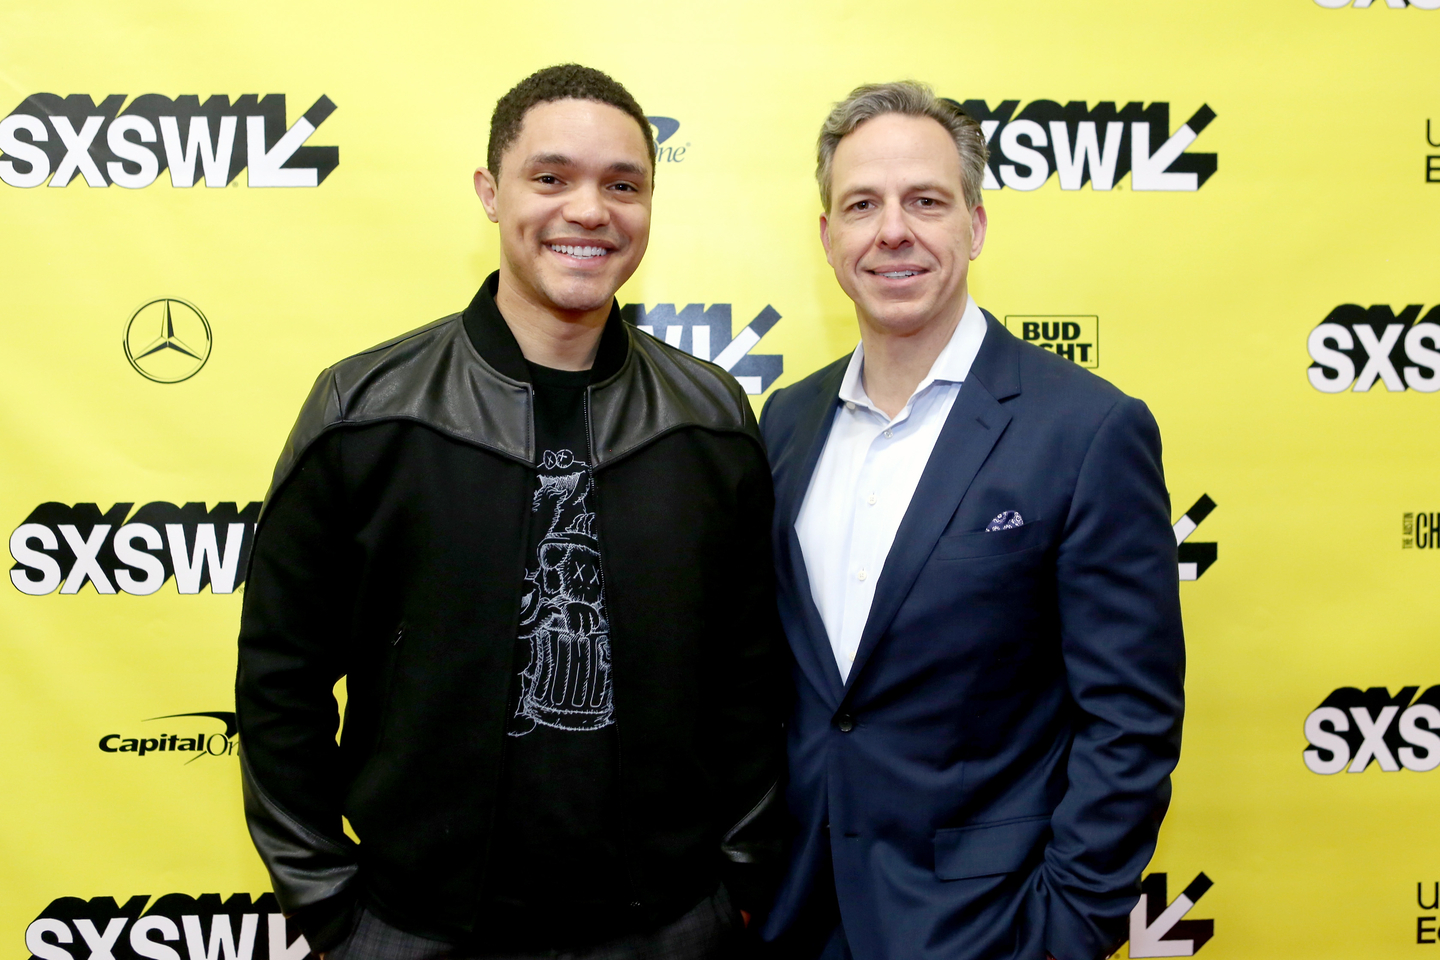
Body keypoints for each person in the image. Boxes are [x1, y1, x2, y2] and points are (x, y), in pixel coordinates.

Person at [236, 64, 786, 960]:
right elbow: (278, 680)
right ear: (492, 193)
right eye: (551, 177)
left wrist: (742, 879)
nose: (588, 210)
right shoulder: (367, 410)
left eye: (623, 185)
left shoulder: (710, 419)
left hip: (673, 925)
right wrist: (330, 905)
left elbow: (752, 678)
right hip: (413, 927)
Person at [757, 81, 1186, 960]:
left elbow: (1131, 720)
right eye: (861, 205)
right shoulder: (783, 423)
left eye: (926, 201)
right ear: (828, 236)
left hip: (989, 929)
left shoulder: (1087, 428)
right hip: (798, 915)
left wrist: (1065, 931)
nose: (893, 232)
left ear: (976, 225)